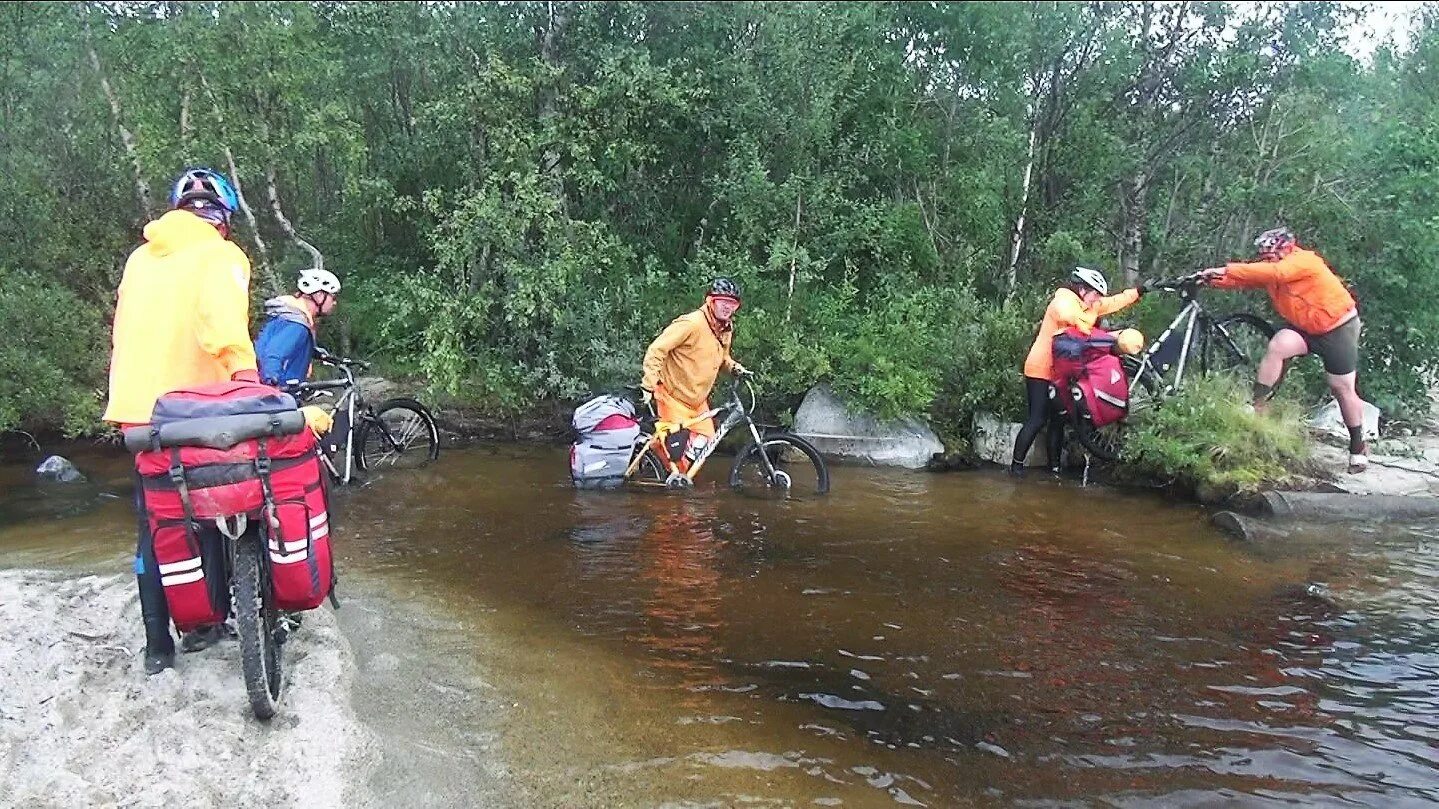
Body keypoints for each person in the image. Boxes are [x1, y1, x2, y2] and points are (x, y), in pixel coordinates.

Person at [104, 167, 259, 675]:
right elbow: (222, 322)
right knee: (218, 506)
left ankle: (158, 648)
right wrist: (249, 383)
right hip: (198, 404)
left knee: (156, 523)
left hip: (139, 413)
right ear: (223, 221)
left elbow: (125, 330)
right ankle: (208, 621)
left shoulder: (139, 259)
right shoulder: (222, 254)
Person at [1200, 227, 1367, 472]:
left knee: (1341, 388)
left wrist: (1227, 269)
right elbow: (1248, 278)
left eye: (1271, 255)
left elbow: (1276, 273)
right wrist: (1211, 279)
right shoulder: (1273, 267)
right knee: (1278, 345)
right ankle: (1258, 407)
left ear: (1285, 249)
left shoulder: (1304, 261)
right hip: (1305, 328)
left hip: (1337, 328)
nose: (1267, 260)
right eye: (1265, 256)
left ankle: (1357, 445)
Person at [1011, 267, 1143, 477]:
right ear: (1082, 290)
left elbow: (1113, 302)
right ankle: (1016, 468)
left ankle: (1054, 470)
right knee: (1037, 419)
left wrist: (1138, 292)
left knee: (1058, 420)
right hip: (1040, 368)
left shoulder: (1090, 305)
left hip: (1061, 371)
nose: (1097, 300)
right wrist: (1098, 335)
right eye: (1095, 295)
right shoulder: (1062, 301)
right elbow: (1067, 316)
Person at [640, 278, 750, 473]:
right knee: (678, 459)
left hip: (697, 402)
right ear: (710, 301)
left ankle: (658, 459)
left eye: (732, 304)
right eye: (723, 302)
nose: (727, 307)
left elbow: (722, 357)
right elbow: (656, 350)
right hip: (672, 396)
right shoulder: (691, 324)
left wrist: (735, 368)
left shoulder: (725, 328)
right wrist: (648, 385)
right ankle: (664, 491)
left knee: (706, 444)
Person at [255, 268, 342, 388]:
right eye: (333, 296)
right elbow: (273, 355)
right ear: (319, 295)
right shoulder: (296, 324)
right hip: (278, 397)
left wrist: (315, 352)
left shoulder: (287, 317)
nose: (334, 302)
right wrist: (272, 386)